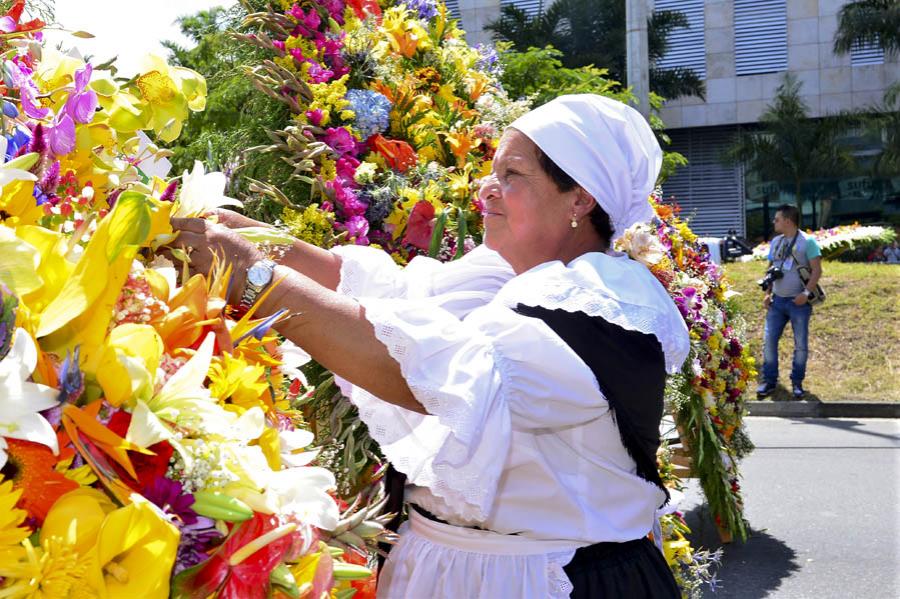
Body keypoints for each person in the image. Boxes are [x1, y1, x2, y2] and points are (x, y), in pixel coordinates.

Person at [169, 94, 690, 598]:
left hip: (549, 578)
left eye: (512, 176)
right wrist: (236, 234)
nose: (486, 190)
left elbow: (414, 369)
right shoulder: (512, 273)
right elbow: (383, 297)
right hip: (448, 567)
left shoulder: (597, 305)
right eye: (492, 171)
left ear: (580, 197)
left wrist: (253, 278)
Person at [757, 204, 823, 399]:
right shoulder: (776, 241)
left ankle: (797, 382)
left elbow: (817, 270)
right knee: (769, 342)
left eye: (777, 219)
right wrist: (767, 293)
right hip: (777, 301)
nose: (774, 222)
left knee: (800, 345)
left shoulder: (808, 242)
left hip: (798, 303)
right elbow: (771, 269)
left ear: (787, 221)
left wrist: (806, 293)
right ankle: (769, 382)